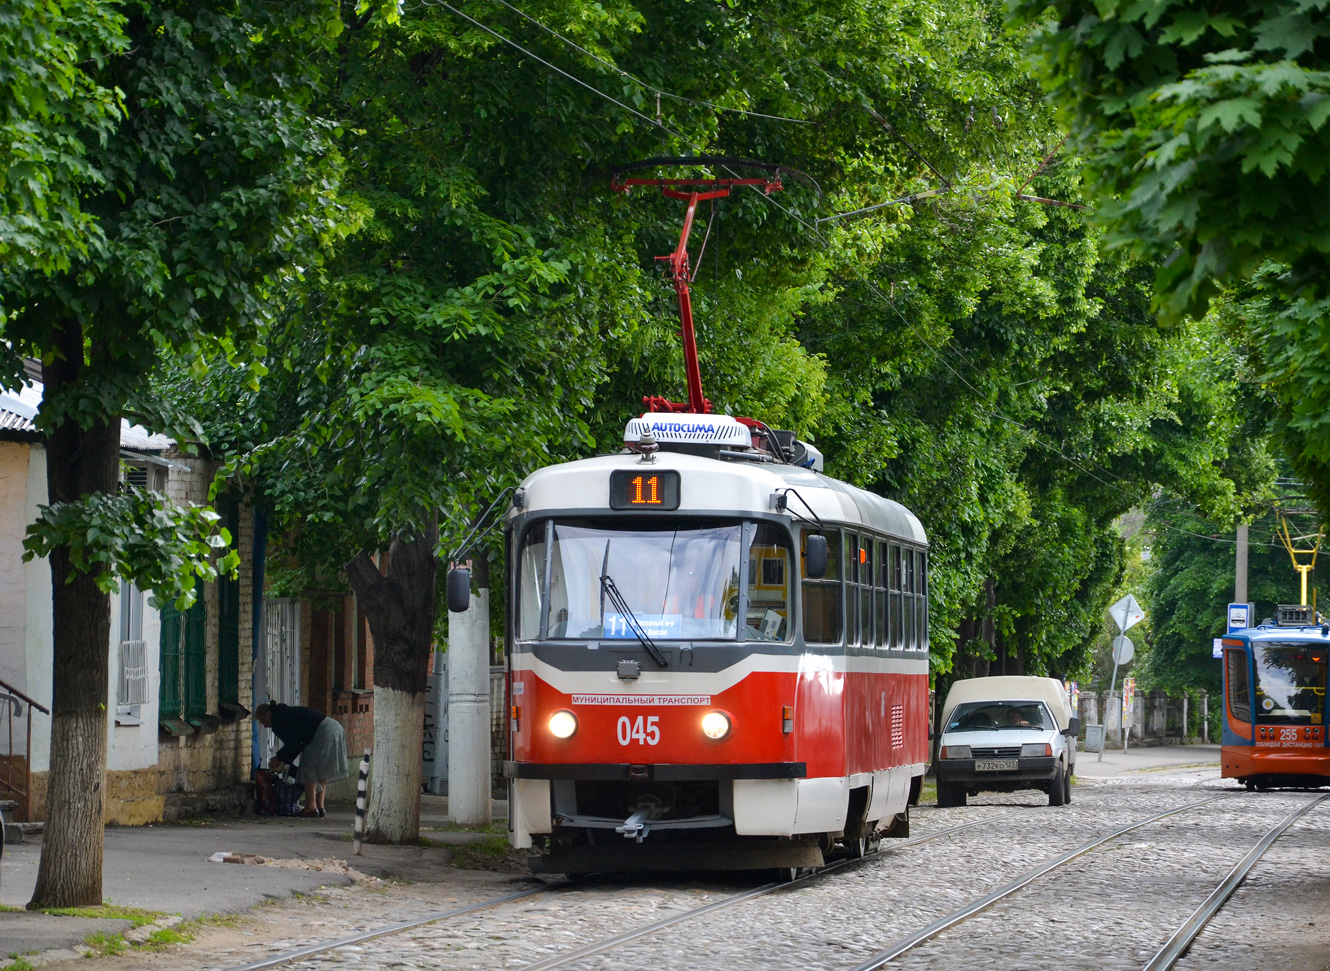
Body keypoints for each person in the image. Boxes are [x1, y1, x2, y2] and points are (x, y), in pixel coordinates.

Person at [253, 702, 349, 818]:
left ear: (268, 715)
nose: (264, 725)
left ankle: (311, 808)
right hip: (334, 727)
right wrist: (284, 759)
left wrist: (279, 758)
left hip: (322, 733)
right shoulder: (285, 713)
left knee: (308, 769)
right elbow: (296, 743)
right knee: (321, 771)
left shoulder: (279, 720)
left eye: (263, 721)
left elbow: (293, 743)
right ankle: (320, 807)